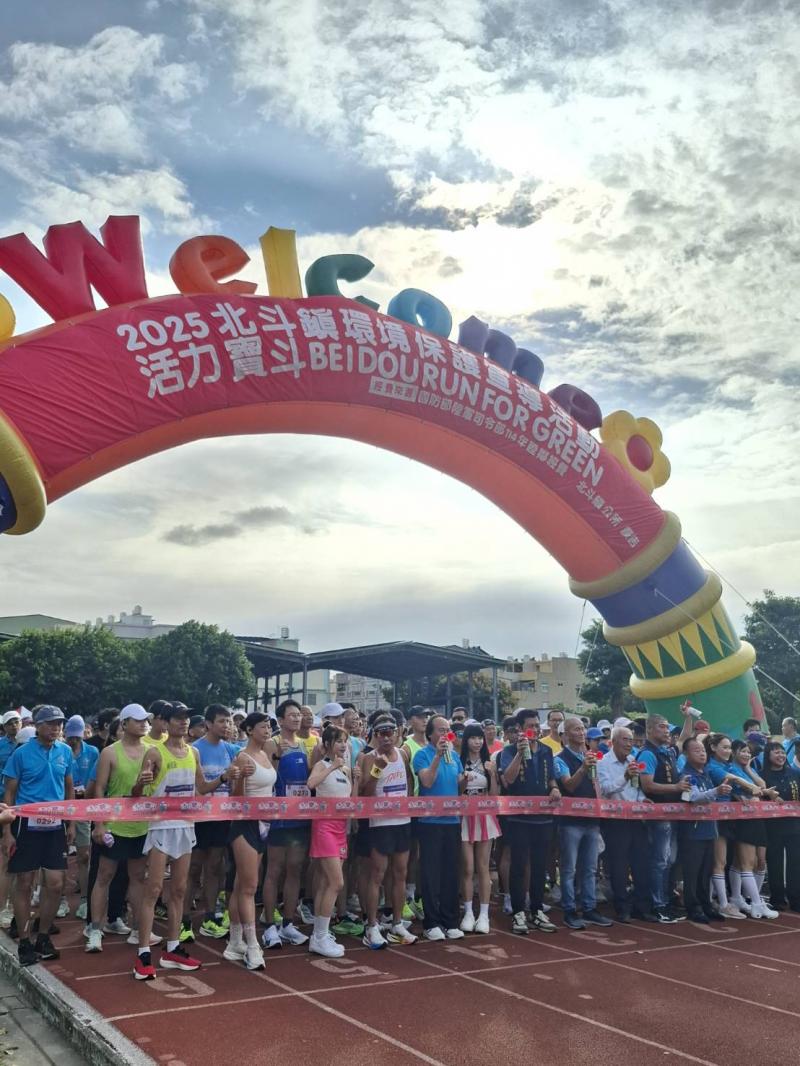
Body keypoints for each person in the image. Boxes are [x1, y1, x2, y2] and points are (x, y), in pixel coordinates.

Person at [134, 702, 236, 979]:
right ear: (165, 723)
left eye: (186, 718)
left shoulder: (193, 752)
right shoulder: (155, 752)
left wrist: (224, 777)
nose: (183, 722)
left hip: (186, 826)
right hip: (160, 827)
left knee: (179, 890)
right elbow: (136, 793)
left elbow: (201, 788)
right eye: (177, 718)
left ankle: (172, 948)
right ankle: (143, 954)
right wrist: (141, 782)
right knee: (154, 890)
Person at [1, 705, 75, 966]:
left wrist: (71, 823)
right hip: (25, 825)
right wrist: (7, 832)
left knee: (55, 883)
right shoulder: (21, 754)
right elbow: (10, 793)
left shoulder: (65, 751)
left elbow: (69, 788)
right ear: (38, 726)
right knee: (24, 883)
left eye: (59, 724)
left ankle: (43, 936)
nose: (56, 728)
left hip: (55, 825)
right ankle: (24, 941)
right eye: (51, 723)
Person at [87, 703, 155, 955]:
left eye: (145, 720)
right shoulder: (110, 752)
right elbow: (99, 789)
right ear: (124, 724)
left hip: (142, 825)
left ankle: (138, 928)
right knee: (104, 875)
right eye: (138, 720)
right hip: (114, 825)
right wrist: (99, 823)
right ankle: (95, 929)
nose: (144, 724)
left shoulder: (152, 751)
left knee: (138, 877)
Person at [498, 712, 559, 935]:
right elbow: (508, 779)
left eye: (537, 725)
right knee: (519, 865)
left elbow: (550, 777)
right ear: (521, 729)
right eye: (530, 726)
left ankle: (537, 909)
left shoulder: (546, 750)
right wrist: (520, 753)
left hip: (543, 816)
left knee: (540, 866)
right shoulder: (508, 751)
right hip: (518, 818)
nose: (536, 730)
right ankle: (518, 912)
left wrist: (554, 787)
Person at [226, 712, 277, 971]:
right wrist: (241, 778)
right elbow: (235, 798)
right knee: (249, 887)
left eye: (269, 726)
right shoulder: (243, 757)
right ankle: (252, 945)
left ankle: (234, 942)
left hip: (264, 824)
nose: (267, 730)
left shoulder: (266, 754)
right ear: (248, 730)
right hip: (245, 824)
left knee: (241, 884)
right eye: (262, 726)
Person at [361, 716, 416, 947]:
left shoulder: (403, 754)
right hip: (380, 824)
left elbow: (409, 782)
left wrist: (408, 806)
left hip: (402, 821)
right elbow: (365, 794)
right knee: (377, 875)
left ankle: (396, 923)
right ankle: (372, 926)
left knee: (401, 873)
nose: (386, 737)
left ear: (396, 733)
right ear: (375, 735)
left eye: (390, 732)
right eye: (381, 733)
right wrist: (377, 770)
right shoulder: (368, 758)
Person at [261, 700, 311, 950]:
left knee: (295, 868)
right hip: (279, 817)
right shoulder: (272, 743)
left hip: (300, 816)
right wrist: (278, 756)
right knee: (274, 870)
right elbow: (268, 776)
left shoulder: (304, 744)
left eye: (298, 714)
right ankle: (269, 925)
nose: (297, 718)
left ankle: (288, 923)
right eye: (292, 715)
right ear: (280, 720)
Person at [554, 717, 612, 929]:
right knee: (569, 869)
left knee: (590, 868)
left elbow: (596, 785)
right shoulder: (560, 759)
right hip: (570, 822)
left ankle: (589, 908)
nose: (581, 732)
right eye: (576, 729)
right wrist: (583, 768)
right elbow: (568, 785)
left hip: (592, 819)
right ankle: (569, 909)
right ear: (566, 734)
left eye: (582, 728)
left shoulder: (590, 756)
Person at [307, 724, 360, 957]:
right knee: (336, 883)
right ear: (327, 744)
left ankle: (319, 934)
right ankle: (320, 936)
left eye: (345, 741)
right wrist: (332, 767)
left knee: (325, 883)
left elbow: (351, 801)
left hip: (341, 828)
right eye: (338, 740)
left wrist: (356, 780)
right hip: (324, 827)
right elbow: (311, 784)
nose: (343, 745)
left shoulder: (346, 769)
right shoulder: (323, 765)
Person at [412, 715, 465, 941]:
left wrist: (467, 779)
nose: (446, 734)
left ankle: (450, 921)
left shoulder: (455, 756)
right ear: (431, 734)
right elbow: (426, 781)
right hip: (430, 822)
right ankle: (431, 922)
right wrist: (437, 756)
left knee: (451, 872)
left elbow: (459, 785)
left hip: (452, 821)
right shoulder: (422, 755)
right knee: (431, 873)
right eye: (441, 730)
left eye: (448, 730)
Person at [638, 714, 692, 923]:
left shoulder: (667, 751)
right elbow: (647, 785)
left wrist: (688, 717)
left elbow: (684, 737)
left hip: (673, 814)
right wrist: (676, 787)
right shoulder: (647, 754)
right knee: (660, 861)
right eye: (662, 726)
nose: (667, 730)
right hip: (658, 815)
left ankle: (666, 900)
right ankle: (658, 904)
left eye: (667, 726)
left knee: (670, 860)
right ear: (650, 730)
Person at [596, 725, 651, 922]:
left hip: (636, 819)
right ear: (613, 742)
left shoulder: (632, 760)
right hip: (615, 820)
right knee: (619, 865)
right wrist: (625, 776)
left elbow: (636, 788)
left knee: (641, 863)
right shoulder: (603, 763)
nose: (629, 744)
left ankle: (641, 907)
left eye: (631, 740)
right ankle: (622, 908)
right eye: (625, 739)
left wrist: (643, 799)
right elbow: (605, 789)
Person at [678, 737, 732, 922]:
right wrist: (716, 791)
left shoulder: (706, 774)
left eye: (703, 750)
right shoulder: (686, 776)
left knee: (705, 872)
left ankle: (705, 904)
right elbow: (693, 798)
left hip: (709, 829)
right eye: (696, 750)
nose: (702, 753)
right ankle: (693, 907)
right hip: (693, 832)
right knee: (692, 872)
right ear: (686, 754)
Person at [459, 723, 500, 933]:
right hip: (463, 816)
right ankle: (468, 912)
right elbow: (456, 791)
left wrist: (492, 774)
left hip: (484, 815)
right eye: (473, 738)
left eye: (480, 738)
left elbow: (494, 795)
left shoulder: (488, 763)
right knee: (467, 867)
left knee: (483, 867)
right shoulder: (458, 761)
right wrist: (463, 781)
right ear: (466, 740)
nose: (477, 742)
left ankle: (484, 915)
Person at [63, 715, 98, 921]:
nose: (74, 740)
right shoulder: (60, 750)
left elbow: (96, 778)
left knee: (84, 856)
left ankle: (85, 900)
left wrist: (88, 793)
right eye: (71, 736)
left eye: (77, 736)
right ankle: (60, 900)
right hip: (63, 807)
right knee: (59, 856)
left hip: (83, 807)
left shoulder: (92, 752)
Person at [761, 741, 800, 912]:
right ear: (768, 755)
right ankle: (777, 898)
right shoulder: (762, 776)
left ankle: (796, 898)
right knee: (774, 862)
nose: (781, 755)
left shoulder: (795, 773)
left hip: (795, 825)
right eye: (776, 752)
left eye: (783, 752)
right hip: (772, 826)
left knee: (795, 863)